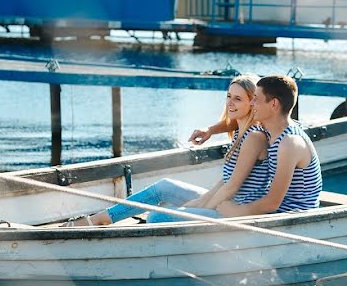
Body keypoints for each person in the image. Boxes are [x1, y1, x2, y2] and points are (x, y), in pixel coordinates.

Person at [66, 75, 270, 226]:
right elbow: (229, 125)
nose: (229, 103)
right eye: (228, 96)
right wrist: (209, 130)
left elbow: (231, 187)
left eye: (238, 99)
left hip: (235, 212)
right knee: (164, 187)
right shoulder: (240, 131)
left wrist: (198, 206)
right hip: (223, 201)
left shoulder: (254, 137)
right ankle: (100, 219)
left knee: (157, 216)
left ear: (253, 103)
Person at [215, 75, 322, 217]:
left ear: (273, 104)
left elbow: (272, 202)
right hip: (274, 214)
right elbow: (237, 122)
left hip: (292, 218)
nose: (251, 103)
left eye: (256, 99)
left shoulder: (289, 143)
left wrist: (237, 211)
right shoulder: (273, 131)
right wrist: (210, 130)